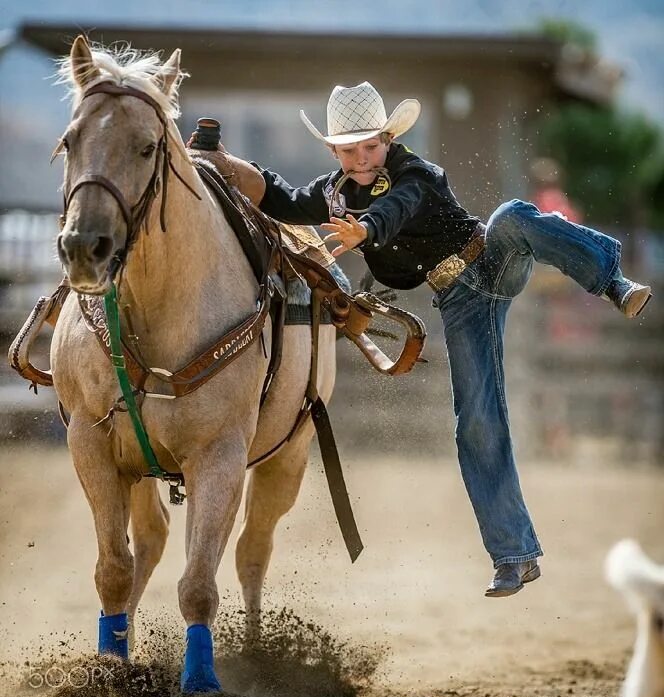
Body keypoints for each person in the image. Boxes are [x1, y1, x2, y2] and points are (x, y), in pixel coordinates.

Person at [191, 82, 652, 597]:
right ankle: (513, 554)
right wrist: (222, 165)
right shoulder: (335, 192)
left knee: (511, 216)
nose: (362, 157)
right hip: (460, 302)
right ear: (333, 152)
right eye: (349, 149)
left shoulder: (418, 174)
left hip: (494, 257)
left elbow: (401, 206)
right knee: (475, 421)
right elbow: (281, 196)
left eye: (370, 145)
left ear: (388, 139)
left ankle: (611, 280)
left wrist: (364, 232)